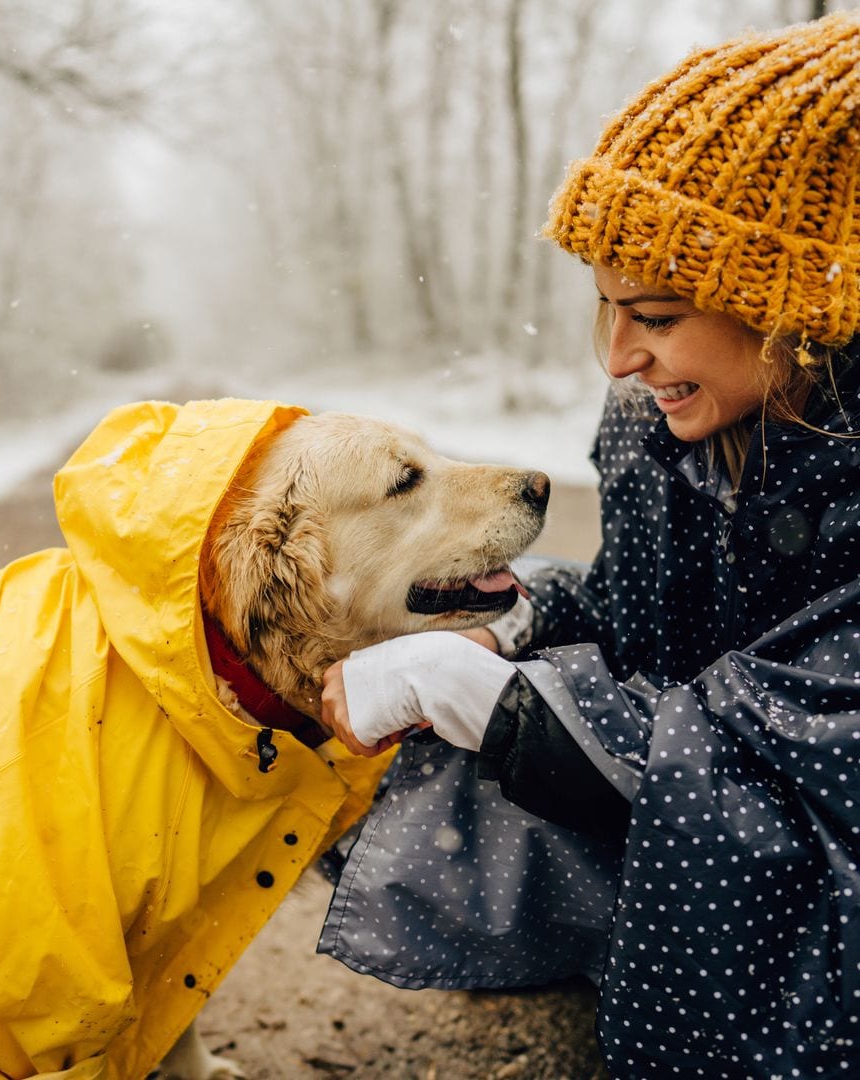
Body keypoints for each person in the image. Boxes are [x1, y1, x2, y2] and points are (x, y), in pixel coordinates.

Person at [317, 12, 860, 1078]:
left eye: (653, 314)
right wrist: (507, 620)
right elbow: (638, 621)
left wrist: (514, 711)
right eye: (603, 308)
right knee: (394, 791)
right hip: (698, 805)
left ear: (799, 306)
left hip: (817, 862)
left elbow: (810, 757)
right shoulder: (659, 427)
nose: (617, 358)